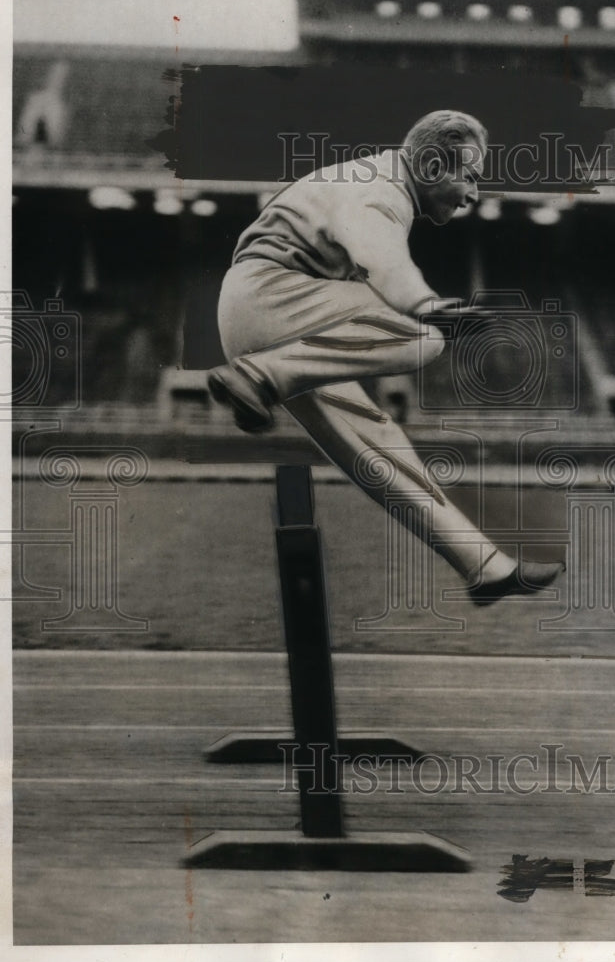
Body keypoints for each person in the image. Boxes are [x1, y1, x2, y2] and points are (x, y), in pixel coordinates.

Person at [208, 110, 563, 605]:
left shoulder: (378, 180)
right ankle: (260, 377)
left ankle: (484, 568)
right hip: (271, 297)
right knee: (424, 337)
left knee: (379, 447)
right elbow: (382, 257)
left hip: (271, 314)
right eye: (470, 176)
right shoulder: (379, 185)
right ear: (434, 165)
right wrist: (426, 306)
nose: (474, 194)